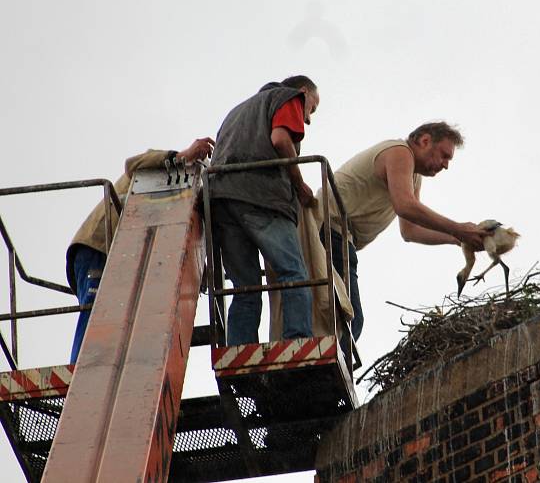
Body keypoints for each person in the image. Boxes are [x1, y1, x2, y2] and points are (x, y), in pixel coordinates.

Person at [321, 122, 488, 340]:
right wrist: (459, 228)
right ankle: (326, 375)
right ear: (425, 140)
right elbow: (405, 206)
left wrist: (458, 239)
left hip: (338, 238)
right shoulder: (400, 152)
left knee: (340, 320)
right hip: (329, 231)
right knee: (349, 322)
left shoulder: (413, 175)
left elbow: (410, 230)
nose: (445, 165)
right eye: (444, 155)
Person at [67, 138, 215, 364]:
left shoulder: (174, 196)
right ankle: (78, 365)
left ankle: (96, 362)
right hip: (98, 246)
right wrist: (184, 154)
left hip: (114, 254)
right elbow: (132, 163)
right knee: (96, 310)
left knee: (114, 318)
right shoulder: (162, 168)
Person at [209, 75, 320, 345]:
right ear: (304, 92)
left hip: (221, 200)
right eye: (312, 109)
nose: (308, 119)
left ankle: (239, 349)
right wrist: (299, 184)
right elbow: (281, 139)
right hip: (262, 196)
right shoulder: (287, 97)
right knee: (293, 273)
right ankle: (297, 342)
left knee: (245, 287)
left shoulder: (236, 112)